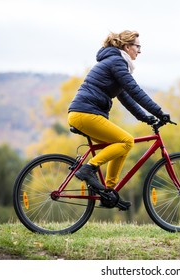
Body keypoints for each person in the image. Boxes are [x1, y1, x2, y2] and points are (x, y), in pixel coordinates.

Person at [68, 30, 170, 210]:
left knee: (119, 147)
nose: (139, 51)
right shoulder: (117, 62)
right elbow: (134, 90)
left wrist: (146, 118)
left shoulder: (116, 63)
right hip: (86, 113)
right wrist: (159, 111)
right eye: (137, 46)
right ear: (126, 47)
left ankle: (108, 192)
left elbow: (127, 98)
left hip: (84, 113)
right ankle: (88, 168)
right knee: (127, 141)